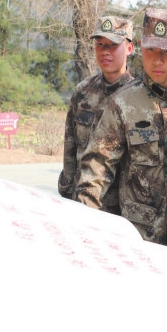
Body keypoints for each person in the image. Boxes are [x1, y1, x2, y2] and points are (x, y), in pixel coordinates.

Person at [75, 8, 167, 253]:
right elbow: (97, 168)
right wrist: (86, 223)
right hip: (138, 238)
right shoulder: (123, 103)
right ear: (141, 48)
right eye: (151, 50)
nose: (158, 60)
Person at [58, 16, 134, 214]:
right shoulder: (83, 92)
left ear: (129, 48)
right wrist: (66, 191)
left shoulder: (138, 99)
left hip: (119, 211)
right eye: (100, 44)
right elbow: (70, 146)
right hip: (81, 203)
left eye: (113, 45)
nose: (105, 51)